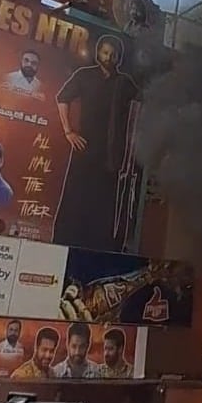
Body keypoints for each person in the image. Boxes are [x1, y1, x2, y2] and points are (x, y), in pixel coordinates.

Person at [55, 35, 140, 251]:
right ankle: (65, 243)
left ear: (118, 58)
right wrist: (68, 131)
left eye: (113, 54)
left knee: (103, 203)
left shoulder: (124, 83)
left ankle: (98, 247)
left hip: (111, 155)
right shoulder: (84, 76)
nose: (109, 57)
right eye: (105, 52)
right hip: (84, 147)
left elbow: (142, 105)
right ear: (98, 53)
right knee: (76, 196)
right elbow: (62, 98)